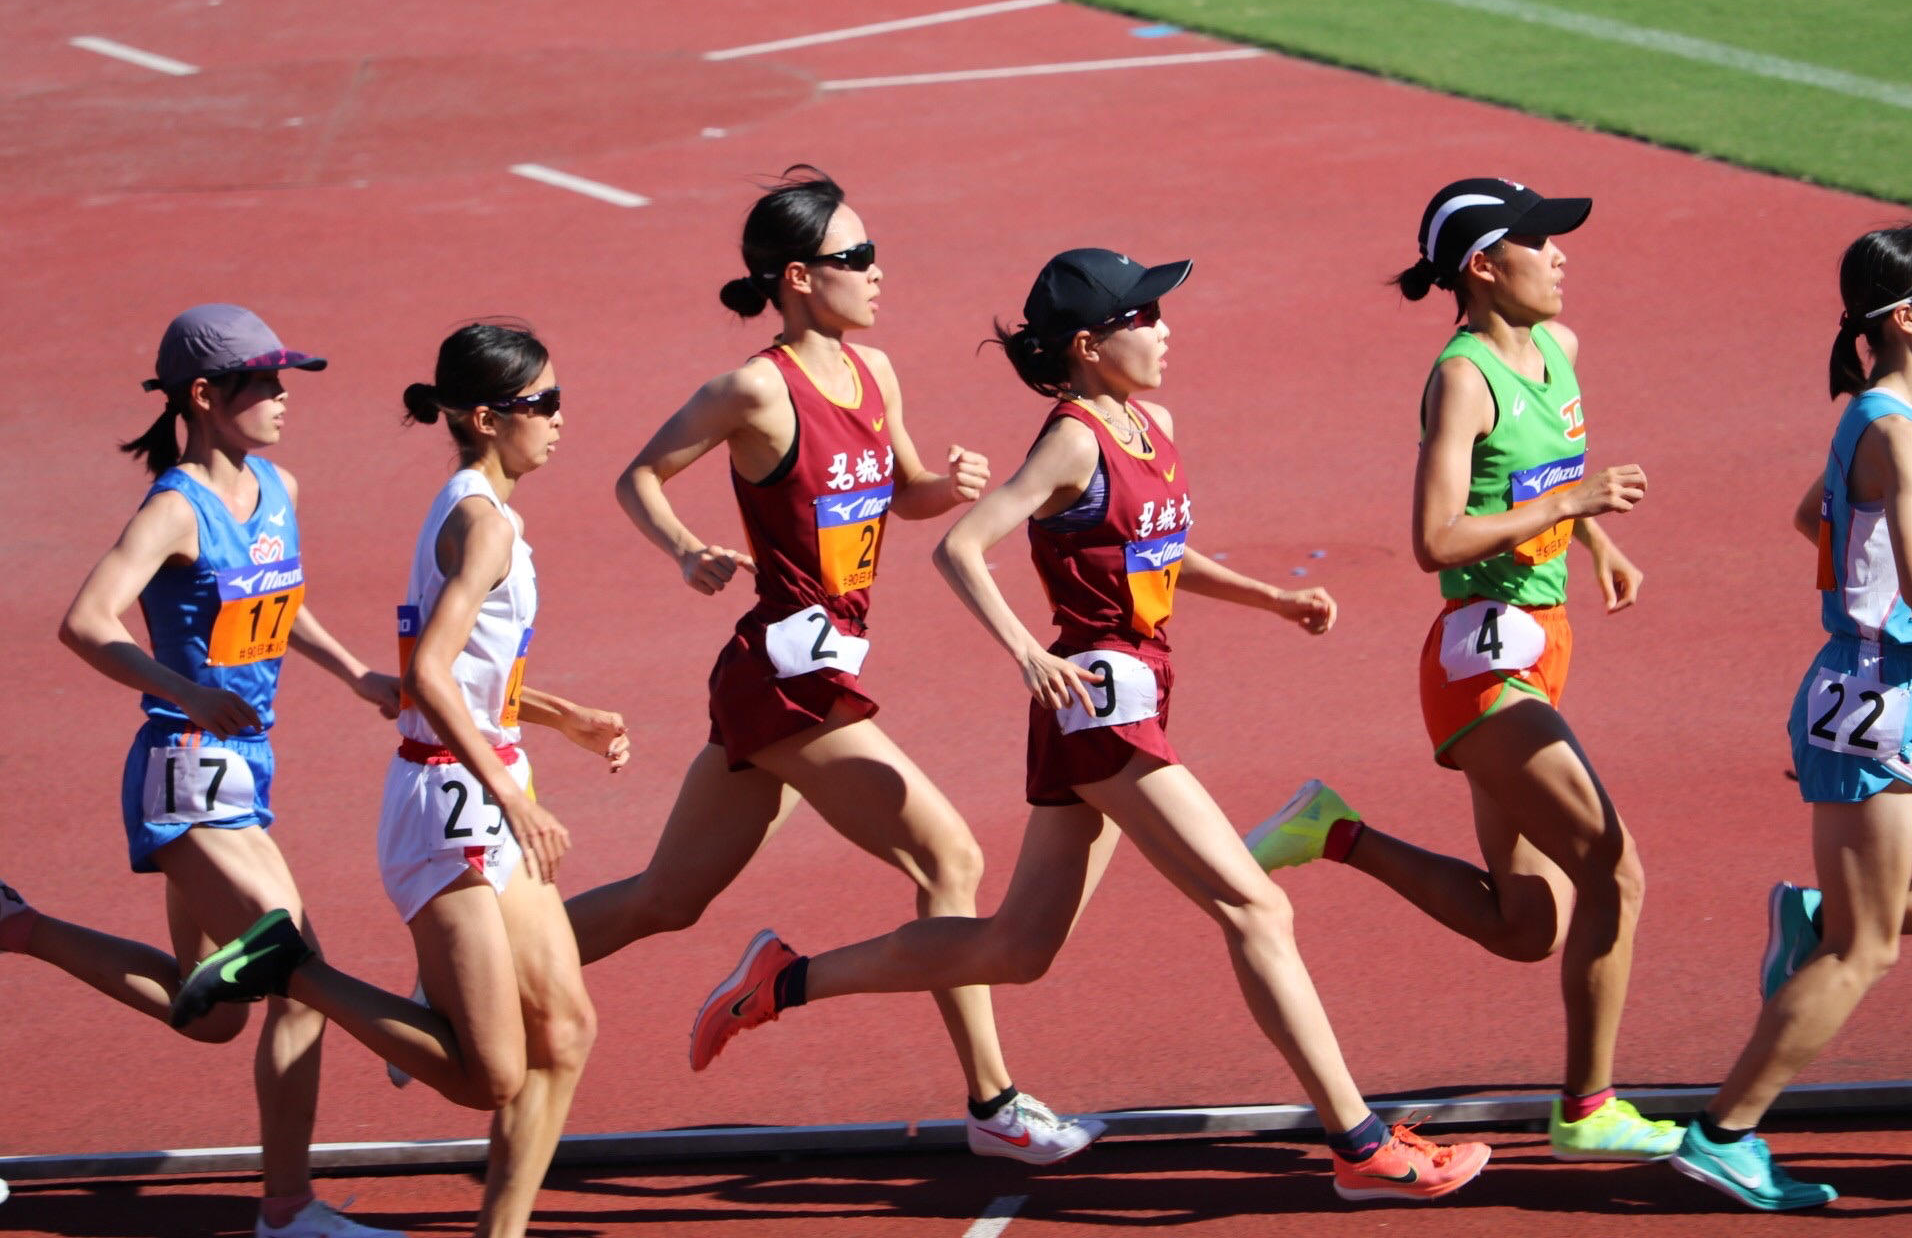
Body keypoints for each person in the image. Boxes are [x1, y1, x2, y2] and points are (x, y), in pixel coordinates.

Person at [685, 247, 1494, 1202]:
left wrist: (1270, 599)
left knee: (1017, 949)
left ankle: (779, 983)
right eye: (1143, 317)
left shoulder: (1152, 422)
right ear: (1089, 345)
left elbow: (1160, 550)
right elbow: (961, 545)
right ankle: (1361, 1148)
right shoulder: (1070, 440)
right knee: (1256, 907)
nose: (1163, 330)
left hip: (1136, 696)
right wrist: (1030, 651)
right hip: (1101, 710)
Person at [561, 167, 1098, 1162]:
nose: (878, 271)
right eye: (858, 258)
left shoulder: (877, 371)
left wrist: (945, 485)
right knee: (950, 857)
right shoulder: (754, 390)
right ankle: (995, 1102)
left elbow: (899, 490)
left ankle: (471, 974)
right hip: (787, 679)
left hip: (797, 677)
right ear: (801, 277)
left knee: (665, 898)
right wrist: (684, 545)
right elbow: (638, 474)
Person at [1243, 178, 1681, 1164]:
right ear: (1483, 265)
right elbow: (1435, 535)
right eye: (1540, 240)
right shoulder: (1464, 376)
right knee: (1615, 866)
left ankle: (1335, 830)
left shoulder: (1558, 350)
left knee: (1525, 924)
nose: (1561, 254)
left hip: (1544, 641)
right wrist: (1573, 501)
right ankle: (1588, 1106)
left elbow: (1548, 472)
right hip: (1482, 661)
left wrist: (1593, 534)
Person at [173, 321, 631, 1238]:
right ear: (482, 418)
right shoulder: (481, 523)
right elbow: (426, 679)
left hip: (487, 775)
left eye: (558, 398)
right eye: (540, 404)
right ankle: (290, 968)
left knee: (568, 1033)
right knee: (488, 1075)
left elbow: (462, 676)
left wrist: (562, 716)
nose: (558, 420)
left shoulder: (475, 508)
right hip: (448, 804)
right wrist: (512, 798)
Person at [0, 304, 406, 1237]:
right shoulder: (174, 508)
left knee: (216, 1017)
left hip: (247, 765)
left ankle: (18, 927)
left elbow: (279, 599)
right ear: (203, 396)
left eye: (282, 377)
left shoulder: (277, 485)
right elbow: (86, 621)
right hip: (185, 768)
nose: (282, 396)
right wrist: (179, 689)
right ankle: (287, 1210)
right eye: (263, 382)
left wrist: (355, 676)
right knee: (297, 973)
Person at [1670, 225, 1912, 1210]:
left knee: (1861, 925)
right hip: (1878, 694)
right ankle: (1725, 1130)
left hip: (1880, 680)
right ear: (1907, 316)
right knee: (1870, 951)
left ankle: (1814, 917)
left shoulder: (1879, 416)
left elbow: (1814, 512)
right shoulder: (1895, 428)